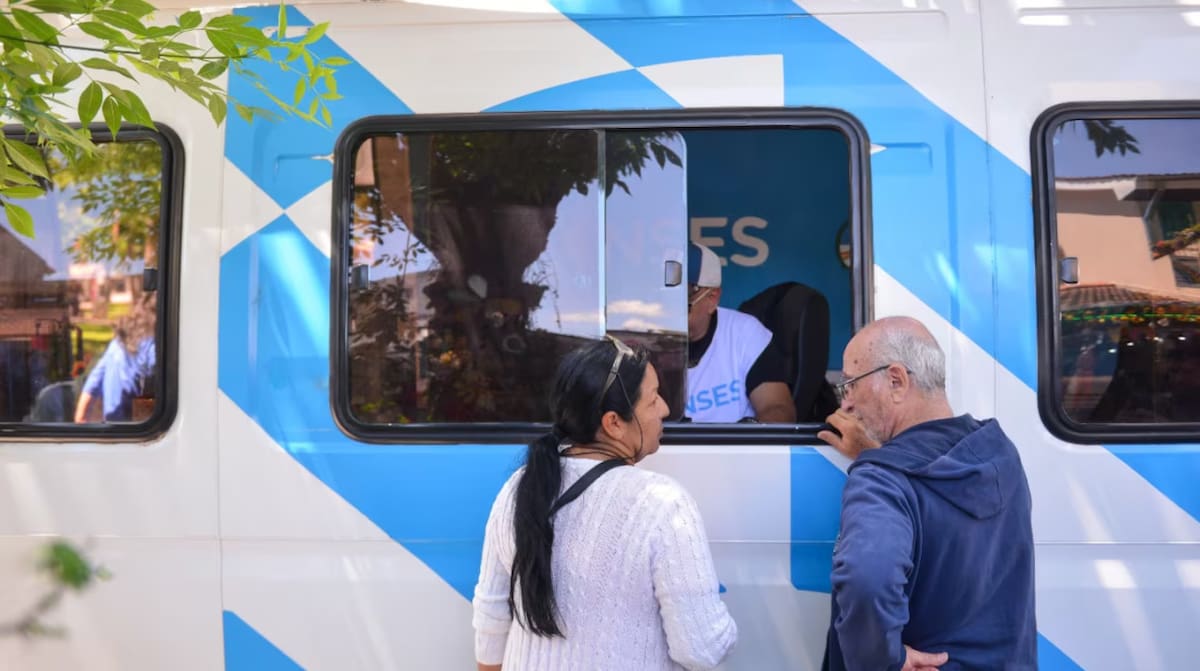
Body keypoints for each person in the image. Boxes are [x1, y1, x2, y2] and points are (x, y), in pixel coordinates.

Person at [472, 336, 737, 671]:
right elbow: (702, 649)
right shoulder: (662, 504)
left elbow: (491, 621)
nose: (666, 410)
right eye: (653, 400)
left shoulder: (518, 487)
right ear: (613, 423)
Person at [817, 316, 1036, 671]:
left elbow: (866, 579)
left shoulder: (882, 480)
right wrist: (876, 454)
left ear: (897, 380)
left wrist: (886, 659)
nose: (846, 405)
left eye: (850, 385)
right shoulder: (1001, 455)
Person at [685, 242, 795, 423]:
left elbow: (778, 408)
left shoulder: (745, 334)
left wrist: (749, 436)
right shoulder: (643, 337)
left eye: (683, 299)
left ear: (712, 298)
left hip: (733, 449)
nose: (669, 309)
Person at [74, 294, 156, 423]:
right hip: (137, 430)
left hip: (113, 429)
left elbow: (91, 387)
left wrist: (81, 426)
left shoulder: (118, 343)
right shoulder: (153, 346)